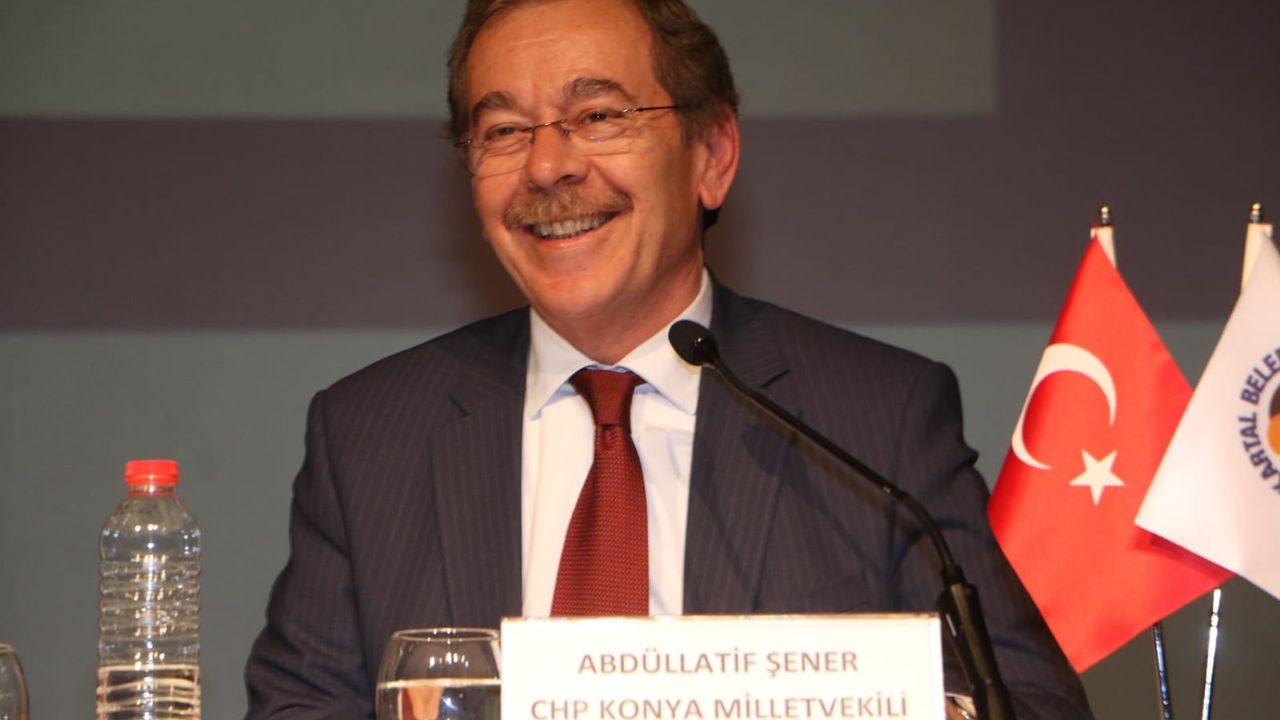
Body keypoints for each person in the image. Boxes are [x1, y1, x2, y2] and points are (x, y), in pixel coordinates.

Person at [244, 0, 1093, 717]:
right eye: (503, 131)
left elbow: (1023, 702)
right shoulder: (371, 436)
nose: (548, 165)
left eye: (599, 116)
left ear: (711, 156)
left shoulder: (878, 418)